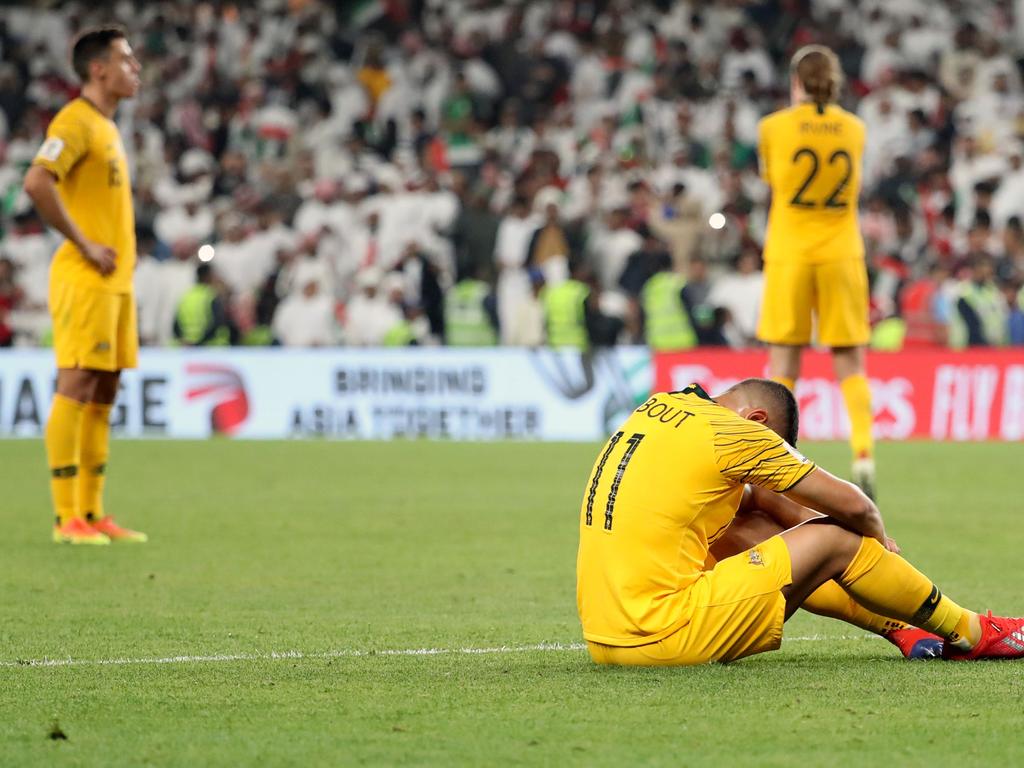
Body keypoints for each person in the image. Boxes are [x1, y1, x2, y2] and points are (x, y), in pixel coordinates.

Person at [577, 378, 1024, 667]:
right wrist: (873, 542)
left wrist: (788, 516)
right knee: (837, 537)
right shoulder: (740, 433)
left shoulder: (661, 407)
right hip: (662, 634)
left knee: (739, 523)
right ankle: (971, 632)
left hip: (605, 636)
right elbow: (858, 507)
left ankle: (903, 627)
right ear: (757, 421)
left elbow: (761, 498)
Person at [22, 26, 146, 544]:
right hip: (86, 278)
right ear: (99, 68)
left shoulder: (108, 127)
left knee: (103, 392)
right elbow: (37, 181)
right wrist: (84, 243)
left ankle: (93, 513)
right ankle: (64, 516)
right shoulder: (75, 120)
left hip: (114, 283)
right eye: (127, 60)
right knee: (75, 387)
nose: (135, 69)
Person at [755, 45, 877, 498]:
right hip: (842, 251)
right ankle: (863, 455)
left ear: (795, 82)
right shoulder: (855, 128)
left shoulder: (773, 128)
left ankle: (775, 456)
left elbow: (774, 181)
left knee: (785, 359)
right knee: (849, 359)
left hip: (790, 250)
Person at [173, 263, 230, 346]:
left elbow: (175, 325)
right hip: (210, 348)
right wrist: (199, 343)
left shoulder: (186, 296)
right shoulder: (211, 295)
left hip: (186, 347)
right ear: (207, 276)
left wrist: (186, 341)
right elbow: (217, 324)